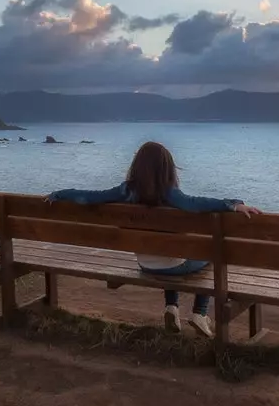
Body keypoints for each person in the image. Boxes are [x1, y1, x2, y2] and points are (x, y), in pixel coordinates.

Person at [48, 141, 261, 338]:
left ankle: (171, 308)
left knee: (167, 249)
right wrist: (233, 204)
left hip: (146, 264)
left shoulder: (125, 191)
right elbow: (195, 204)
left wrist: (60, 193)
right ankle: (199, 313)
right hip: (174, 265)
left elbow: (90, 197)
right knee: (210, 251)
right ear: (167, 168)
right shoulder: (169, 194)